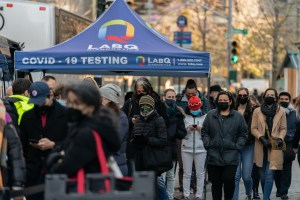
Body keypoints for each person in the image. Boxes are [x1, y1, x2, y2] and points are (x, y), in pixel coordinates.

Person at [49, 83, 120, 192]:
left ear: (91, 106)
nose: (72, 107)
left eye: (77, 103)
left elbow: (65, 167)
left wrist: (55, 159)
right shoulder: (97, 126)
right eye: (70, 102)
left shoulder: (86, 133)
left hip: (85, 190)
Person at [20, 81, 68, 200]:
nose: (39, 105)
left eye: (42, 101)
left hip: (57, 173)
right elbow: (21, 146)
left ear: (50, 95)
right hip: (33, 175)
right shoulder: (27, 117)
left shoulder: (66, 115)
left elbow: (74, 143)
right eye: (36, 102)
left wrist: (53, 145)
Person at [201, 91, 248, 200]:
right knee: (216, 183)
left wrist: (238, 146)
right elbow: (205, 132)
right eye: (220, 100)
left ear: (230, 101)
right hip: (214, 154)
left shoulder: (238, 117)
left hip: (231, 155)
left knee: (229, 181)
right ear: (217, 101)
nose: (222, 102)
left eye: (225, 100)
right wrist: (207, 144)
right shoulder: (210, 115)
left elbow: (244, 133)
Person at [122, 77, 167, 176]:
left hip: (152, 148)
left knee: (155, 179)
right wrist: (131, 121)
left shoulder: (157, 103)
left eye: (143, 91)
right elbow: (122, 118)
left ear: (149, 90)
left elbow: (164, 121)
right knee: (136, 176)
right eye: (139, 91)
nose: (141, 93)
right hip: (135, 146)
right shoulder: (130, 103)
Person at [131, 95, 169, 200]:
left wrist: (147, 140)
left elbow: (163, 141)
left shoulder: (158, 120)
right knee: (142, 188)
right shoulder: (138, 119)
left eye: (147, 105)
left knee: (159, 188)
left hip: (153, 159)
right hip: (139, 158)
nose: (144, 108)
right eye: (142, 106)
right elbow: (133, 136)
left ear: (152, 106)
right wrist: (135, 141)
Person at [251, 88, 287, 200]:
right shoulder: (257, 111)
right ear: (264, 96)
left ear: (275, 97)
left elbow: (283, 128)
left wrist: (280, 138)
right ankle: (266, 195)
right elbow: (253, 128)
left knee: (269, 175)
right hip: (261, 144)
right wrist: (261, 138)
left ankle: (266, 198)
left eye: (272, 95)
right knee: (262, 175)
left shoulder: (281, 111)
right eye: (268, 94)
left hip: (275, 145)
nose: (270, 96)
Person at [176, 79, 209, 192]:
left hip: (200, 144)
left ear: (196, 91)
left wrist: (201, 126)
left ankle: (196, 188)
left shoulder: (204, 100)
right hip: (186, 140)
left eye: (193, 94)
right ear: (185, 91)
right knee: (184, 168)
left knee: (199, 170)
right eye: (188, 94)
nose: (190, 96)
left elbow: (206, 116)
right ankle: (184, 189)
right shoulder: (179, 99)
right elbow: (178, 118)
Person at [162, 89, 187, 200]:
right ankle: (161, 197)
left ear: (175, 98)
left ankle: (170, 197)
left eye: (173, 97)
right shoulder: (158, 111)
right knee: (161, 176)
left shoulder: (178, 113)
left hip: (172, 147)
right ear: (164, 97)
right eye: (169, 97)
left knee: (171, 175)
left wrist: (174, 132)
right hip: (160, 147)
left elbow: (182, 132)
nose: (171, 99)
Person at [100, 83, 129, 176]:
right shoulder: (101, 115)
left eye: (101, 97)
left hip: (116, 165)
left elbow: (114, 140)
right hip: (105, 164)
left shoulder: (121, 118)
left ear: (107, 100)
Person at [274, 92, 298, 200]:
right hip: (277, 142)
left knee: (287, 168)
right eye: (282, 98)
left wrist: (295, 145)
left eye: (286, 99)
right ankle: (279, 189)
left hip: (289, 142)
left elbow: (297, 128)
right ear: (278, 99)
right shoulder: (274, 111)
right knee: (277, 168)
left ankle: (284, 191)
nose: (284, 100)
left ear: (289, 100)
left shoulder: (294, 113)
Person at [182, 96, 206, 200]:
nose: (195, 110)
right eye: (193, 109)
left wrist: (201, 129)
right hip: (186, 147)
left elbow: (208, 132)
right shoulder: (185, 117)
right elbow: (181, 132)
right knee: (187, 173)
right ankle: (186, 194)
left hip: (201, 148)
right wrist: (188, 128)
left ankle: (199, 195)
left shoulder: (205, 117)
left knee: (200, 173)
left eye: (196, 108)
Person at [233, 88, 255, 200]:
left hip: (248, 145)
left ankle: (248, 192)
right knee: (236, 176)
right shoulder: (232, 109)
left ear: (248, 95)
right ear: (237, 95)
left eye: (244, 95)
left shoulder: (253, 110)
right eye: (240, 95)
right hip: (235, 146)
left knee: (246, 176)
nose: (242, 97)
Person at [249, 94, 261, 200]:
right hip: (247, 143)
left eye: (253, 105)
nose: (252, 107)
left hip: (257, 143)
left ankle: (255, 191)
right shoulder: (244, 113)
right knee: (249, 171)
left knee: (255, 170)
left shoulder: (259, 112)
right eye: (250, 105)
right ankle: (251, 191)